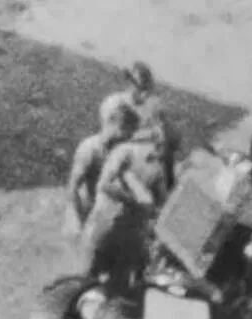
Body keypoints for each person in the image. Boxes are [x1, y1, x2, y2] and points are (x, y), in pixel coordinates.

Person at [80, 124, 172, 283]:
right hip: (107, 221)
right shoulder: (125, 152)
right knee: (90, 274)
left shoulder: (158, 166)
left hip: (130, 230)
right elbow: (104, 185)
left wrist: (155, 213)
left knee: (120, 279)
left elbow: (163, 201)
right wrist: (134, 200)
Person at [67, 96, 138, 236]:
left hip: (100, 216)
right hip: (82, 216)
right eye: (122, 124)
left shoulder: (120, 151)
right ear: (110, 121)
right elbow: (73, 188)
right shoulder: (89, 148)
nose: (125, 134)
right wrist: (81, 221)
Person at [107, 62, 182, 190]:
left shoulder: (153, 104)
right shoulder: (120, 101)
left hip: (146, 147)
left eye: (138, 86)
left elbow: (163, 133)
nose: (133, 88)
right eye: (132, 83)